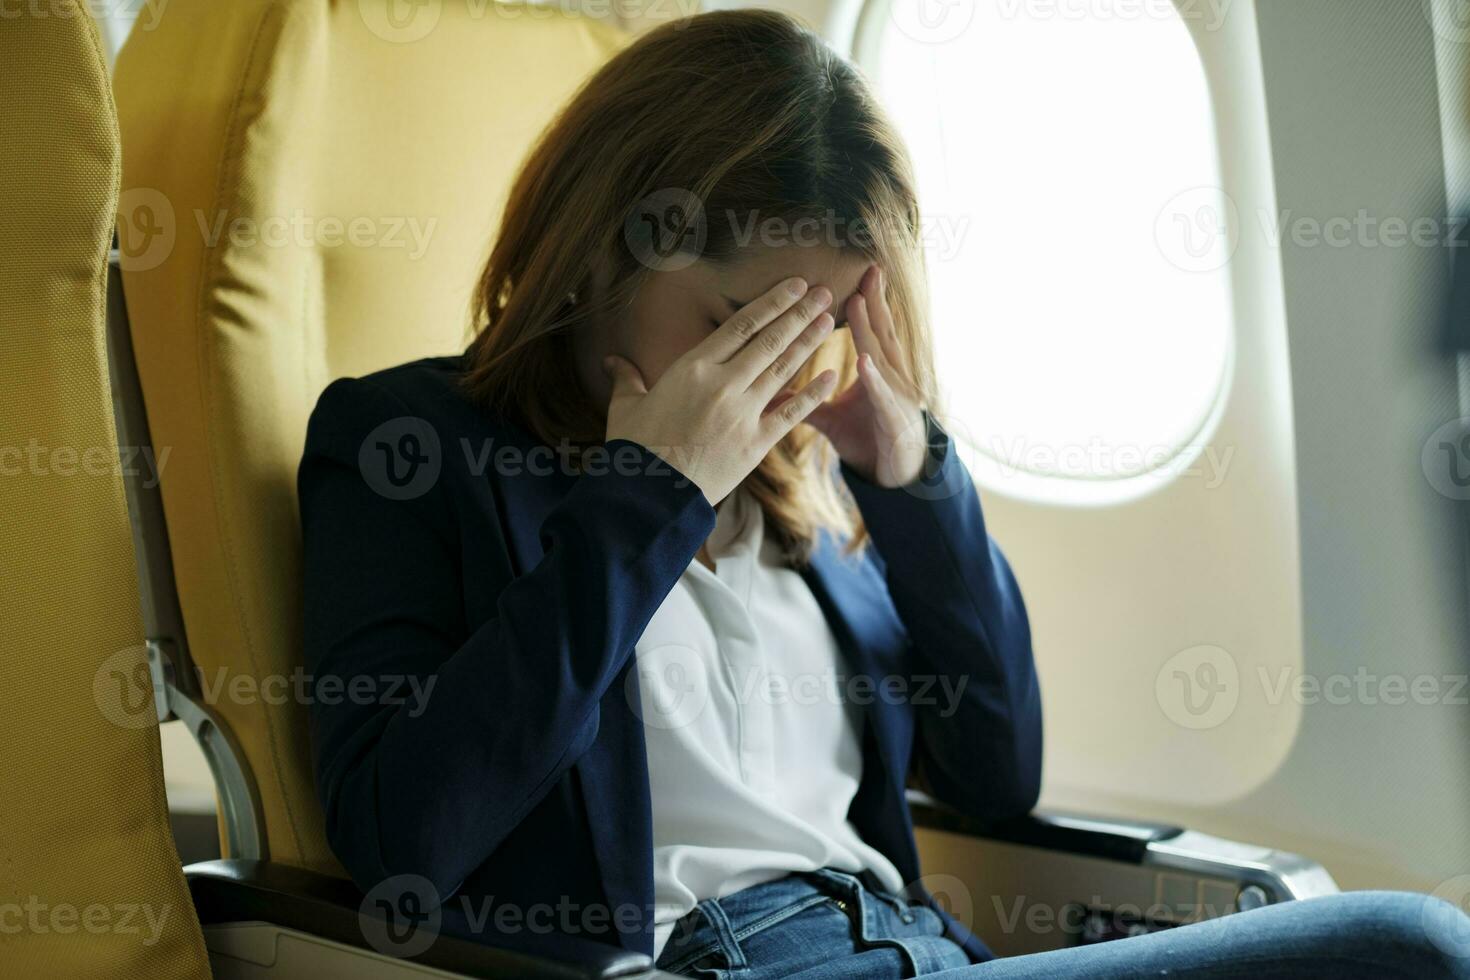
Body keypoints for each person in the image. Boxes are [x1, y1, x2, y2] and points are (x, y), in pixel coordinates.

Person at [297, 9, 1470, 977]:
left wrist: (912, 475)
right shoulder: (412, 444)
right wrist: (643, 500)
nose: (776, 377)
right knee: (1405, 947)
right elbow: (409, 835)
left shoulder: (799, 489)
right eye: (739, 323)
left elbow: (995, 772)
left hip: (910, 949)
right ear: (603, 246)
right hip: (711, 962)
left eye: (820, 328)